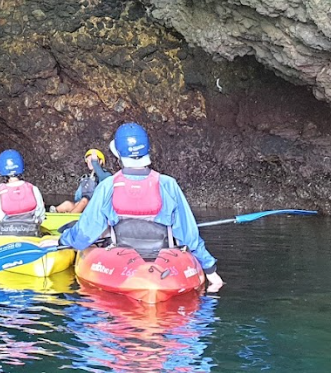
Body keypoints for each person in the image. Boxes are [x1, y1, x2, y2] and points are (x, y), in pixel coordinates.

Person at [49, 123, 224, 293]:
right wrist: (210, 270)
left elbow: (84, 234)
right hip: (163, 258)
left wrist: (62, 241)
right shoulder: (168, 184)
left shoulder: (108, 186)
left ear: (118, 154)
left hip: (120, 258)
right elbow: (189, 234)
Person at [53, 147, 109, 214]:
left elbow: (102, 176)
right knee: (67, 204)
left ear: (100, 162)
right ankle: (51, 214)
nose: (90, 162)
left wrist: (95, 163)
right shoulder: (87, 178)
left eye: (92, 160)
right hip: (85, 206)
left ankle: (70, 218)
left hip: (97, 208)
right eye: (88, 160)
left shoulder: (106, 175)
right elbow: (78, 197)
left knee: (84, 200)